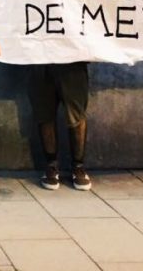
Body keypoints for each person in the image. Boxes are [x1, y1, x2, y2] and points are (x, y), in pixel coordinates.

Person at [29, 62, 92, 191]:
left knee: (77, 114)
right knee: (44, 114)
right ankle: (51, 166)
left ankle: (78, 166)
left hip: (73, 63)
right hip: (41, 61)